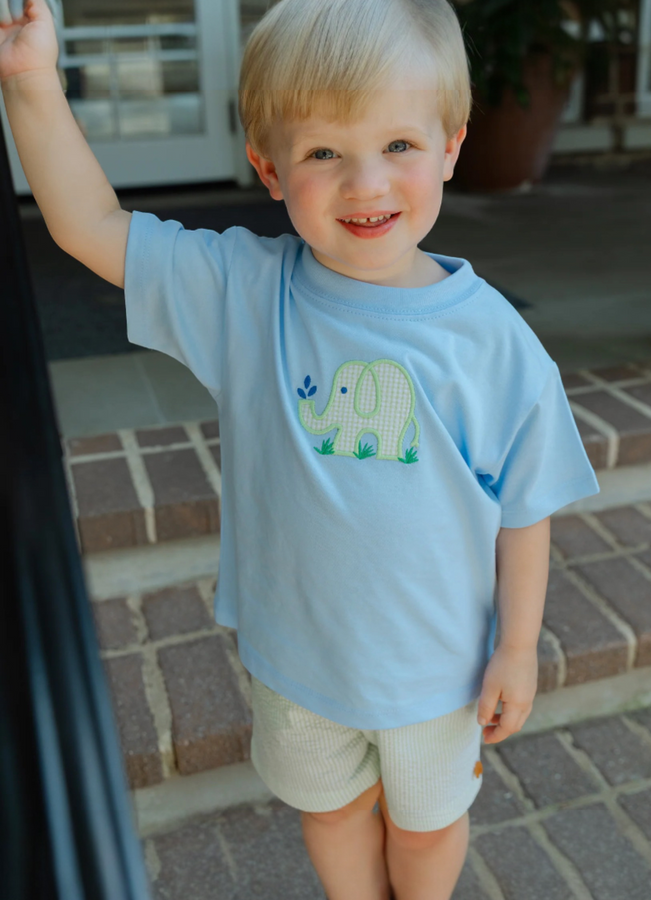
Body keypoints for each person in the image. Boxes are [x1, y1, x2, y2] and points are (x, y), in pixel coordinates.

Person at [0, 0, 600, 897]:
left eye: (398, 143)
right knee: (330, 812)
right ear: (268, 167)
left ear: (451, 147)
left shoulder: (492, 341)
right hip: (299, 664)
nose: (366, 182)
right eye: (324, 152)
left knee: (429, 826)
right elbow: (89, 225)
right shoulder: (245, 294)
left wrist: (517, 646)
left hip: (439, 672)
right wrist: (29, 81)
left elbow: (525, 507)